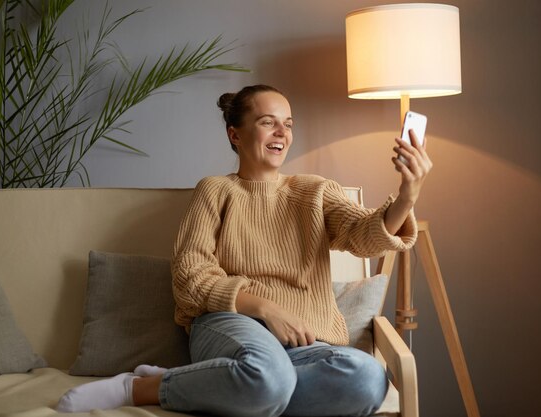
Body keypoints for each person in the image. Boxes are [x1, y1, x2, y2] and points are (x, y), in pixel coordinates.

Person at [56, 84, 432, 416]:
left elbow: (364, 235)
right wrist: (266, 309)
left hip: (304, 343)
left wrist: (407, 194)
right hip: (228, 324)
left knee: (368, 379)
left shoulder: (315, 191)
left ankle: (227, 389)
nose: (282, 132)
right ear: (235, 134)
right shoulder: (215, 190)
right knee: (268, 374)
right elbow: (190, 278)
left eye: (288, 123)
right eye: (269, 121)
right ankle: (143, 388)